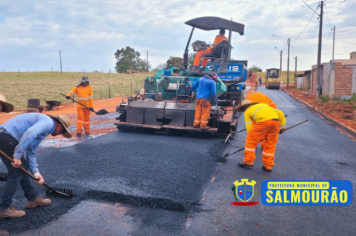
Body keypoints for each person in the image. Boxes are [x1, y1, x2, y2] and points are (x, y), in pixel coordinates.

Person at [0, 113, 72, 219]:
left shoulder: (45, 128)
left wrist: (36, 172)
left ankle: (32, 199)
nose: (60, 134)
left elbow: (31, 151)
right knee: (16, 172)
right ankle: (3, 209)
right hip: (7, 137)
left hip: (6, 138)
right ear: (60, 126)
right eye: (62, 132)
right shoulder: (47, 122)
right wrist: (17, 155)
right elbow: (29, 133)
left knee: (21, 169)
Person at [237, 99, 286, 172]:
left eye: (243, 108)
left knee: (250, 141)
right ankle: (268, 165)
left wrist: (253, 137)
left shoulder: (247, 111)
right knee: (270, 144)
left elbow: (249, 125)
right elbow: (280, 112)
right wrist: (282, 126)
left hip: (263, 122)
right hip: (275, 122)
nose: (243, 110)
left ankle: (248, 161)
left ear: (246, 106)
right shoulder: (264, 105)